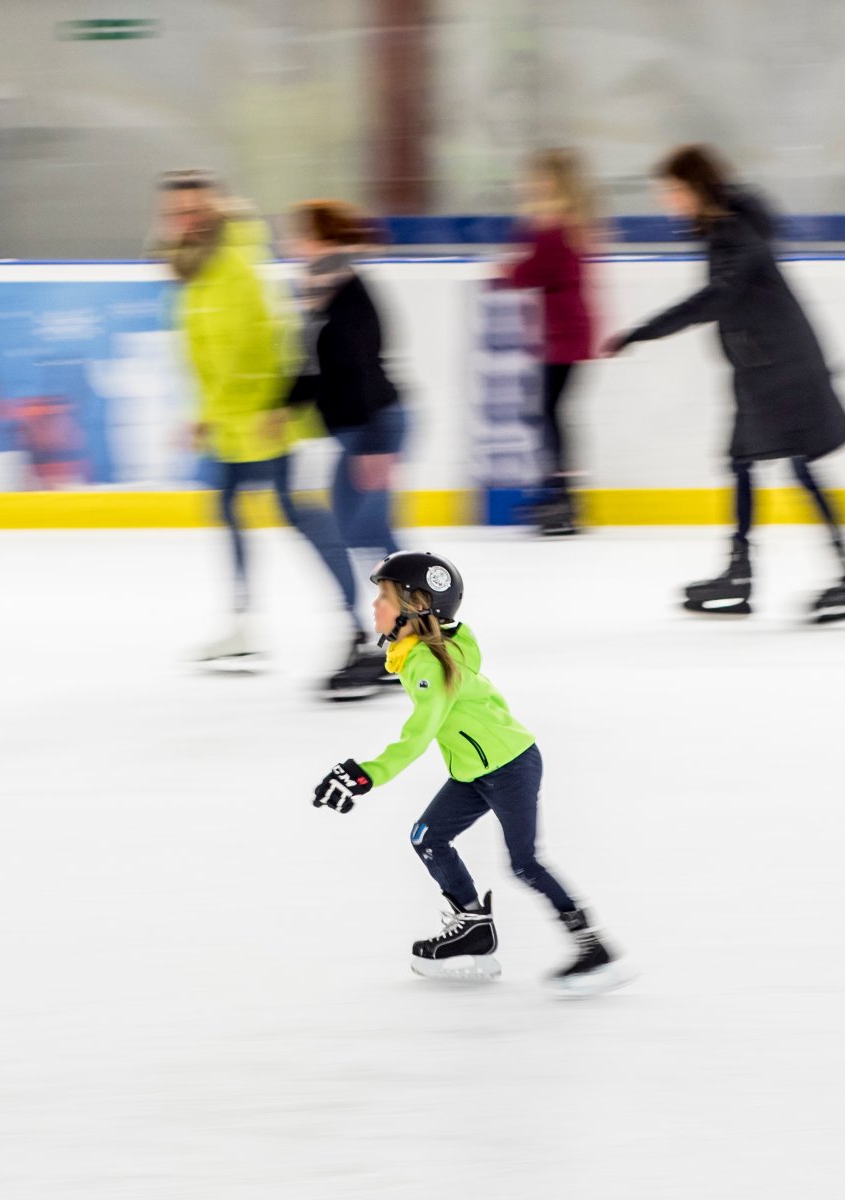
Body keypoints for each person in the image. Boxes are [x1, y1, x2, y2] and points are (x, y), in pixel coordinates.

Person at [310, 551, 633, 996]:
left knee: (524, 862)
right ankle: (474, 928)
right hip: (473, 771)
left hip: (511, 764)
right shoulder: (428, 649)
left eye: (384, 596)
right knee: (427, 837)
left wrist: (366, 775)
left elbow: (417, 736)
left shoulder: (430, 665)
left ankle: (593, 947)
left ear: (417, 606)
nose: (375, 606)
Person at [604, 145, 845, 622]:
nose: (667, 201)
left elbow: (716, 297)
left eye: (672, 191)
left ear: (695, 188)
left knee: (802, 467)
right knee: (741, 461)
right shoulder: (720, 228)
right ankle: (739, 573)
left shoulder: (734, 231)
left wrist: (643, 331)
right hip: (759, 367)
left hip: (786, 367)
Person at [153, 170, 366, 691]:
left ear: (215, 212)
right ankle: (244, 624)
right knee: (227, 504)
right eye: (177, 213)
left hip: (264, 419)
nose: (185, 221)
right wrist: (204, 413)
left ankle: (357, 623)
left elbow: (271, 346)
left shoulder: (237, 266)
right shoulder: (194, 272)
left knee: (297, 512)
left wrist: (270, 409)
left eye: (195, 211)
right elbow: (207, 352)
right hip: (230, 420)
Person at [282, 199, 407, 691]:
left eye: (301, 235)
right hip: (360, 430)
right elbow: (317, 369)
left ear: (323, 239)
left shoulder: (351, 292)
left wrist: (376, 446)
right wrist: (283, 405)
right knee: (359, 530)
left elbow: (363, 368)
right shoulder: (325, 290)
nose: (293, 245)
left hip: (376, 426)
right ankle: (405, 635)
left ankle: (418, 634)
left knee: (368, 530)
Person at [496, 148, 599, 536]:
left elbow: (528, 271)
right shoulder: (561, 224)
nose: (531, 186)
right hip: (563, 333)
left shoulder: (556, 227)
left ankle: (561, 494)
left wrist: (509, 265)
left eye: (539, 179)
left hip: (564, 334)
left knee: (547, 412)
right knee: (547, 412)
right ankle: (558, 490)